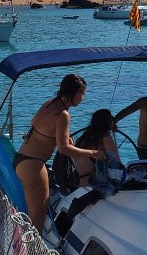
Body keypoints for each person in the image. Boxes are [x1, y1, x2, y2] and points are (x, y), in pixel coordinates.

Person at [13, 73, 103, 227]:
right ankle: (32, 250)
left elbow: (44, 128)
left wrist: (58, 137)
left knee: (34, 213)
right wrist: (93, 153)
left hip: (22, 158)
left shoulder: (49, 104)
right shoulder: (63, 115)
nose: (83, 97)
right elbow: (64, 149)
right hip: (34, 165)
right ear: (75, 93)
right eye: (83, 93)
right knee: (38, 217)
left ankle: (26, 247)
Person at [74, 109, 125, 194]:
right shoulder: (105, 139)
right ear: (107, 123)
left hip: (80, 185)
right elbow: (117, 166)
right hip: (95, 187)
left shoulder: (84, 139)